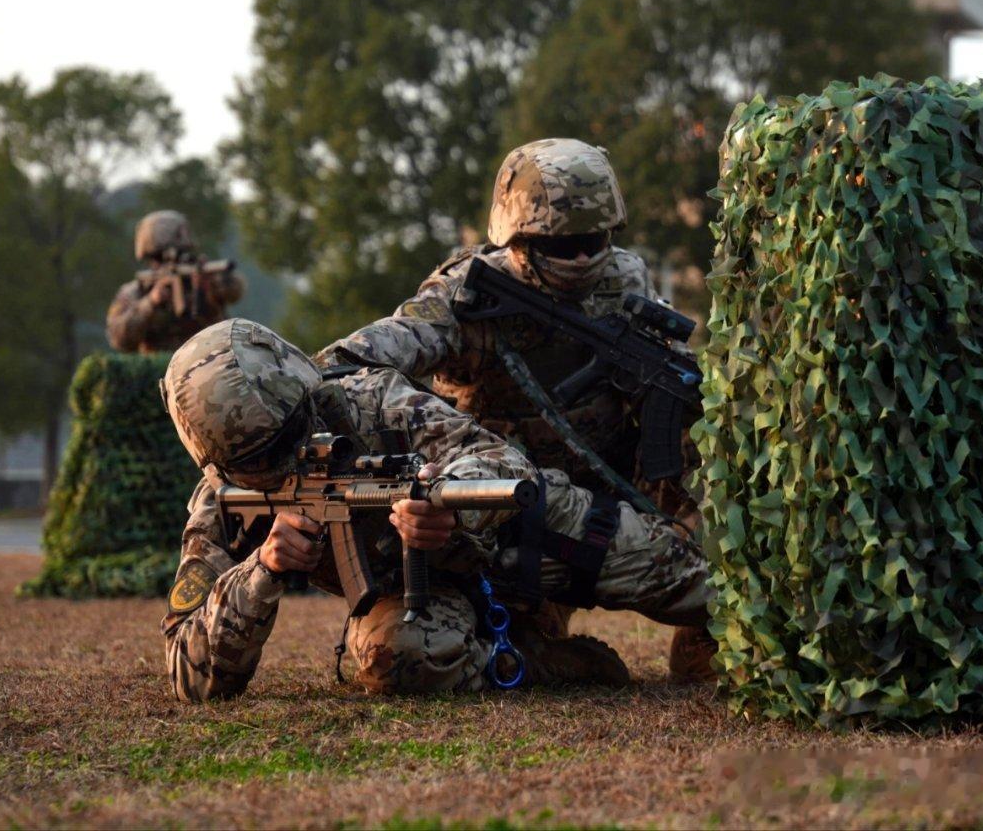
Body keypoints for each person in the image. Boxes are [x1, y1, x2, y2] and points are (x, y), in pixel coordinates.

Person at [316, 139, 717, 682]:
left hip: (601, 510)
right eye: (560, 245)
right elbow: (354, 361)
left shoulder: (626, 281)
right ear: (517, 237)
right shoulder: (467, 295)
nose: (579, 259)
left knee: (700, 429)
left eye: (591, 242)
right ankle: (546, 655)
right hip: (497, 520)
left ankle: (704, 636)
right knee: (413, 651)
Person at [159, 318, 711, 701]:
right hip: (424, 593)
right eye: (262, 456)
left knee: (704, 587)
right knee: (395, 655)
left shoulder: (368, 399)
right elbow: (189, 675)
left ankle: (714, 633)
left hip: (520, 529)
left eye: (294, 428)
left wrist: (450, 503)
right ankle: (533, 658)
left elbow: (501, 462)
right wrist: (263, 572)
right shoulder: (223, 501)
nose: (291, 456)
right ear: (222, 462)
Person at [107, 210, 246, 354]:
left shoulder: (201, 279)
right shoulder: (137, 291)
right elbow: (119, 339)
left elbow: (235, 291)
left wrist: (206, 288)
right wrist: (151, 302)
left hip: (207, 363)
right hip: (160, 370)